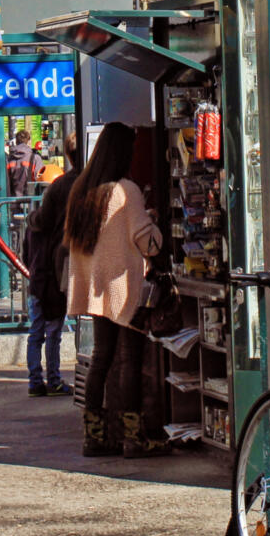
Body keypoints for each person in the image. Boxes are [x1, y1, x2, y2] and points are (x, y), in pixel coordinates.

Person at [65, 122, 167, 458]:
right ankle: (133, 438)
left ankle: (93, 436)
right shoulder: (127, 190)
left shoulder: (82, 188)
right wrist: (154, 223)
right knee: (130, 361)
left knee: (102, 358)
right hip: (125, 285)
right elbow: (147, 242)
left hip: (93, 286)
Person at [23, 133, 80, 397]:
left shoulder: (35, 227)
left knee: (36, 331)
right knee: (53, 331)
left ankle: (36, 380)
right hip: (53, 278)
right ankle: (53, 378)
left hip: (37, 280)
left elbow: (26, 255)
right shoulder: (57, 231)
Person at [6, 130, 36, 199]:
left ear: (16, 142)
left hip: (12, 201)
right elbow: (41, 179)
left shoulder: (9, 159)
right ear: (29, 142)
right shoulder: (35, 158)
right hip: (31, 202)